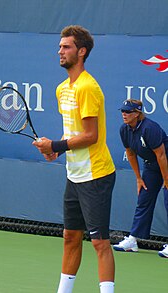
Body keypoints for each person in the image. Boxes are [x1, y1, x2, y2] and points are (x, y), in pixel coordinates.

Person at [33, 25, 116, 293]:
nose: (60, 51)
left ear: (81, 52)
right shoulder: (61, 89)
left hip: (97, 175)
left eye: (66, 47)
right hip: (74, 175)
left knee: (100, 243)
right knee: (70, 237)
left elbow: (91, 136)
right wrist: (58, 150)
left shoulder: (88, 87)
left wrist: (55, 144)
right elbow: (74, 133)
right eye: (60, 46)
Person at [113, 99, 168, 258]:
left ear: (137, 114)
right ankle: (133, 240)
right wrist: (138, 178)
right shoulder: (124, 130)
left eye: (128, 112)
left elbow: (161, 155)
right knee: (144, 198)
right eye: (123, 111)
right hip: (151, 166)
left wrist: (166, 179)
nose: (124, 114)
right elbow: (130, 153)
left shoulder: (150, 128)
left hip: (165, 163)